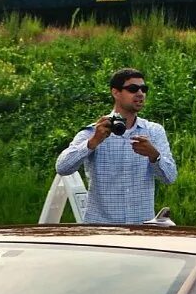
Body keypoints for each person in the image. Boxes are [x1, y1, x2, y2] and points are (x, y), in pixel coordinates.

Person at [54, 68, 177, 224]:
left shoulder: (154, 131)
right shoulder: (94, 131)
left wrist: (154, 156)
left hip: (142, 229)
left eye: (144, 89)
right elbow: (62, 167)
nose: (140, 93)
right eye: (133, 89)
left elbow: (170, 178)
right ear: (115, 92)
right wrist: (92, 142)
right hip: (101, 229)